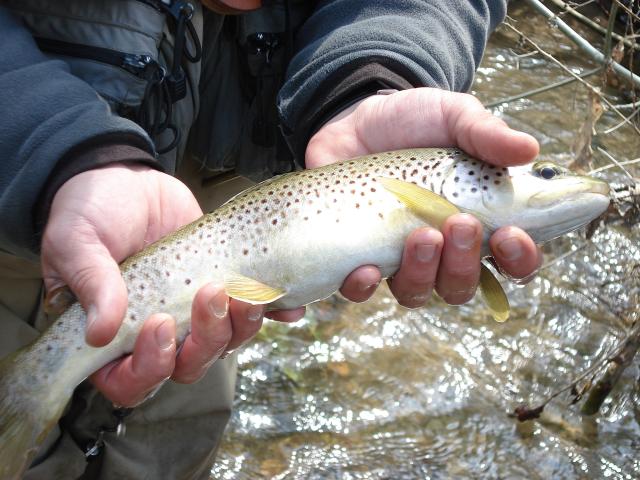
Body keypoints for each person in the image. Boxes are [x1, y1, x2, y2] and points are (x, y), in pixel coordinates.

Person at [0, 0, 542, 478]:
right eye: (543, 175)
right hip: (32, 173)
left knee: (175, 433)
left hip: (225, 202)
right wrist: (56, 146)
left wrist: (373, 74)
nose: (546, 181)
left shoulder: (444, 186)